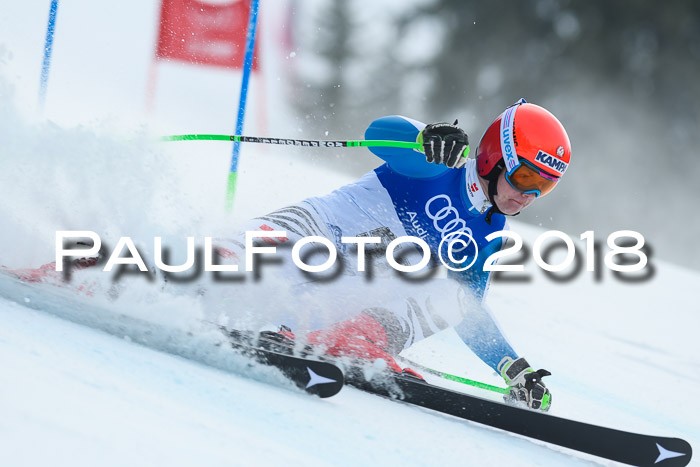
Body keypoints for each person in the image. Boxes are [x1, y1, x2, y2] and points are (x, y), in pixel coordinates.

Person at [208, 98, 571, 412]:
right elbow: (378, 132)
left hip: (329, 300)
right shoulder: (439, 160)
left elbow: (468, 311)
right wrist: (423, 136)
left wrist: (515, 370)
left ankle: (357, 342)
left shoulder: (488, 235)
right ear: (496, 156)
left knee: (457, 295)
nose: (529, 195)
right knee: (245, 252)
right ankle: (194, 277)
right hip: (306, 242)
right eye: (526, 177)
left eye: (544, 186)